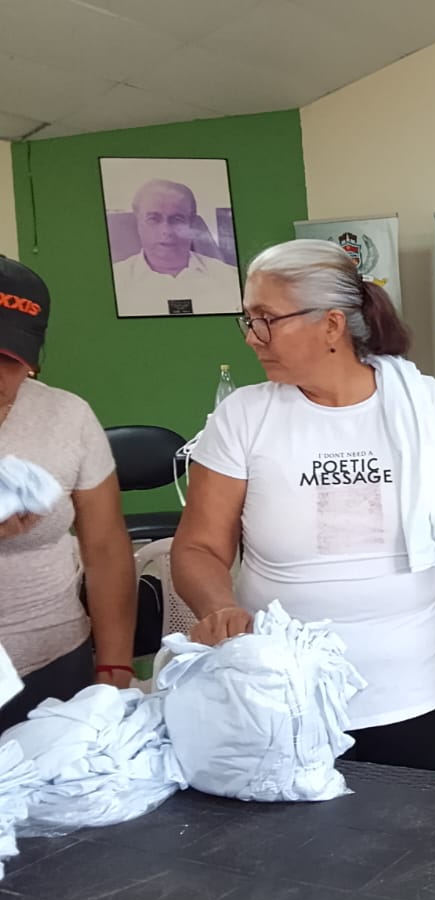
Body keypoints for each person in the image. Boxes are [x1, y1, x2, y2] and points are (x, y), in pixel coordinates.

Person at [171, 238, 435, 770]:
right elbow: (200, 546)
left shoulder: (424, 405)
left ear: (331, 325)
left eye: (266, 320)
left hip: (411, 690)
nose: (252, 337)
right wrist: (220, 608)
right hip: (281, 691)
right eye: (248, 320)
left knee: (404, 821)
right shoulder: (244, 417)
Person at [0, 256, 135, 733]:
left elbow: (106, 546)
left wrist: (114, 668)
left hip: (54, 661)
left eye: (9, 361)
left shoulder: (67, 416)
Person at [111, 180, 241, 317]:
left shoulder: (231, 279)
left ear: (191, 225)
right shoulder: (115, 281)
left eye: (177, 219)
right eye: (153, 219)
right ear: (138, 224)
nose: (166, 231)